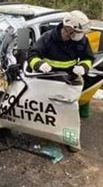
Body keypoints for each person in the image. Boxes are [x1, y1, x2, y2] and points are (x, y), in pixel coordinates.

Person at [27, 10, 95, 150]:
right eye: (77, 32)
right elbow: (32, 55)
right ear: (68, 29)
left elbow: (88, 58)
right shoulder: (47, 38)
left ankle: (70, 139)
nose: (80, 36)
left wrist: (83, 67)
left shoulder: (81, 40)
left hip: (68, 80)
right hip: (47, 79)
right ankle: (43, 132)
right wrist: (39, 64)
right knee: (47, 110)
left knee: (69, 112)